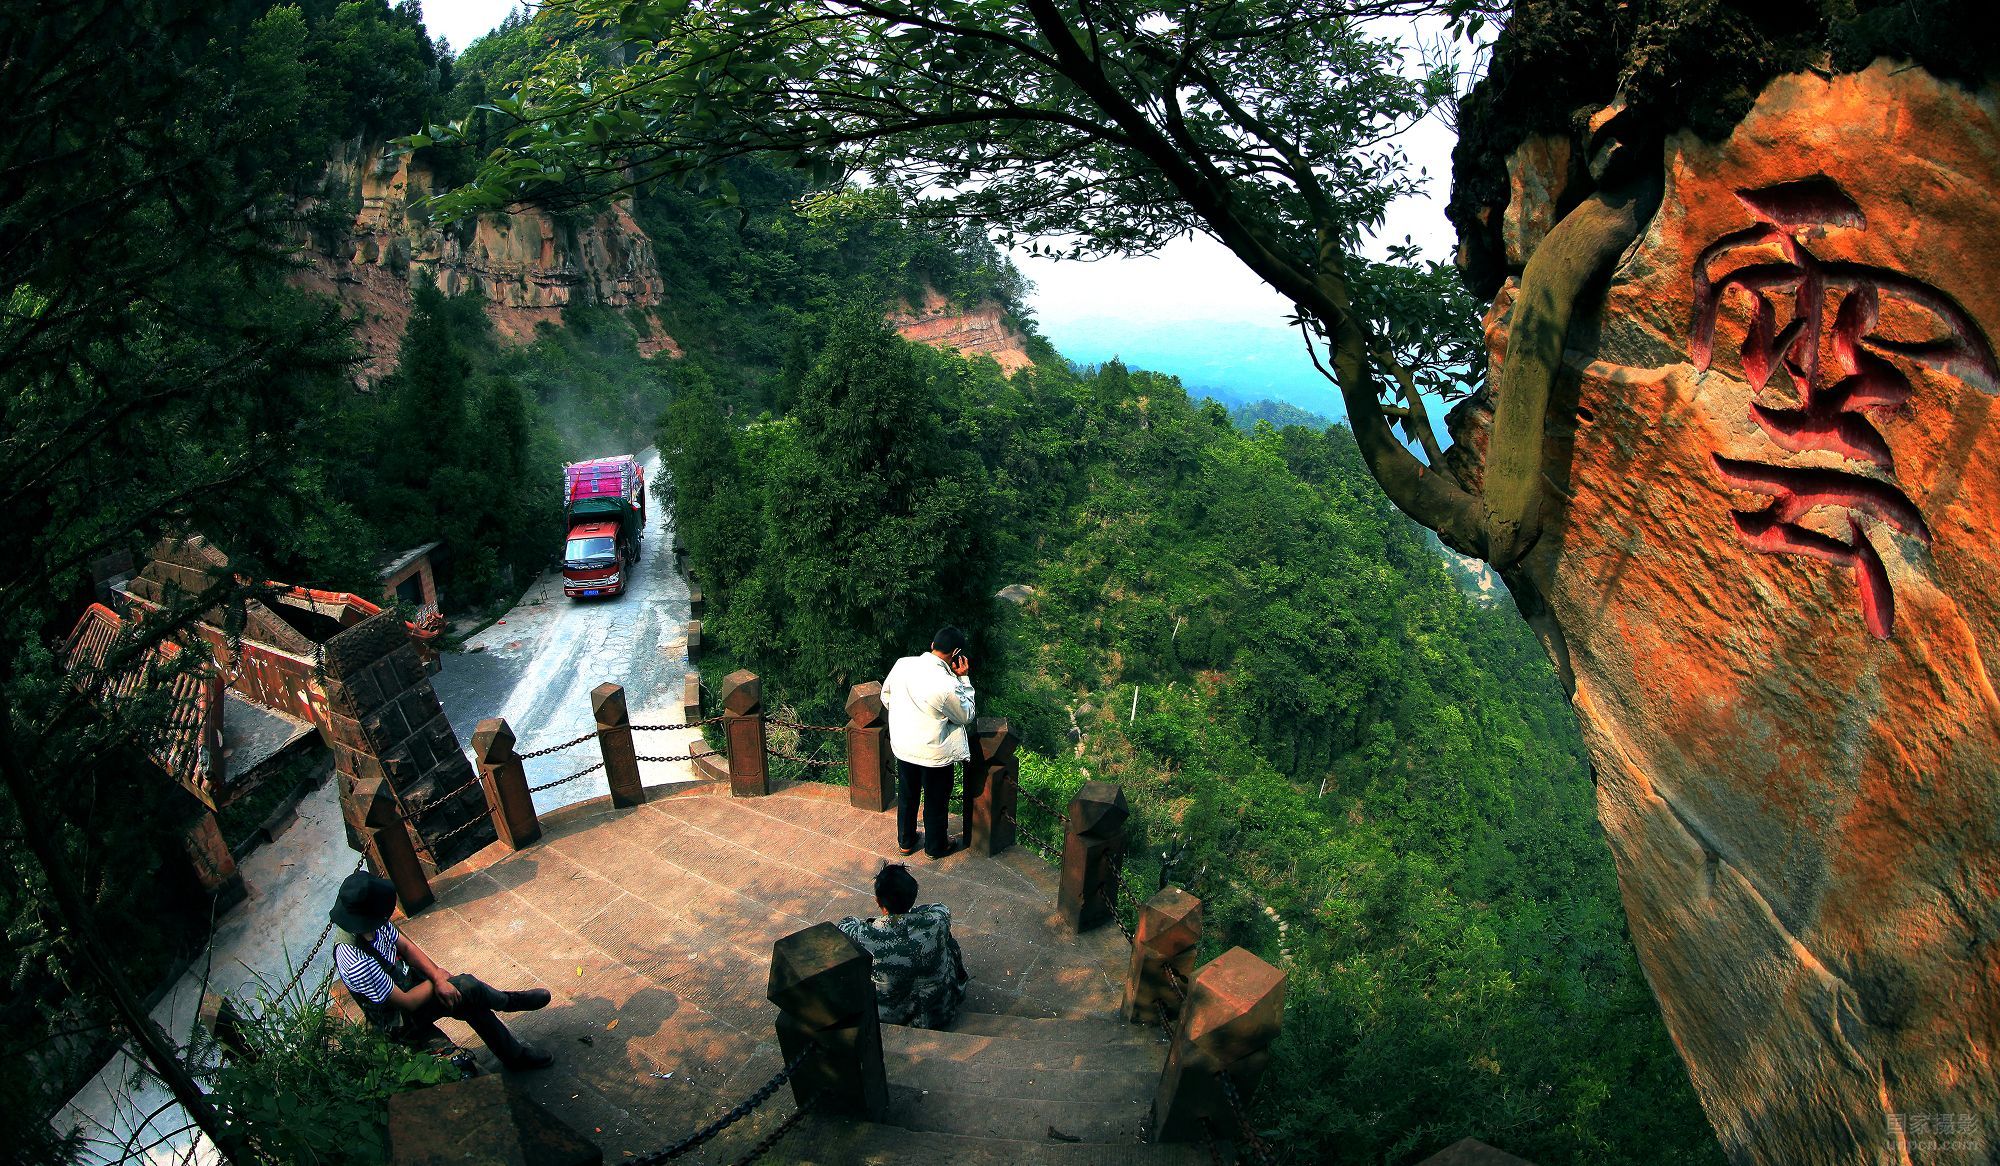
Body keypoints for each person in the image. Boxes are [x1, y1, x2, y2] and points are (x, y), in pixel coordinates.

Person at [328, 871, 555, 1071]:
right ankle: (506, 1002)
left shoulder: (374, 921)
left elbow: (405, 946)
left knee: (468, 996)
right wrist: (438, 982)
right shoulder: (355, 959)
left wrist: (437, 974)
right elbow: (406, 1002)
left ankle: (513, 1048)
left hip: (414, 985)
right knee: (464, 1000)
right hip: (400, 1019)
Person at [880, 625, 975, 859]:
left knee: (908, 795)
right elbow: (966, 715)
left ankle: (906, 841)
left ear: (932, 645)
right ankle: (935, 846)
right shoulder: (947, 683)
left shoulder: (902, 664)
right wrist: (963, 679)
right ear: (955, 653)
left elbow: (886, 696)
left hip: (904, 747)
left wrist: (908, 715)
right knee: (935, 801)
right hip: (934, 754)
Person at [835, 863, 968, 1029]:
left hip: (892, 1019)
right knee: (948, 942)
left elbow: (845, 924)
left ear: (877, 901)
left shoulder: (865, 935)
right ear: (913, 895)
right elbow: (939, 908)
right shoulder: (937, 921)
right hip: (941, 1013)